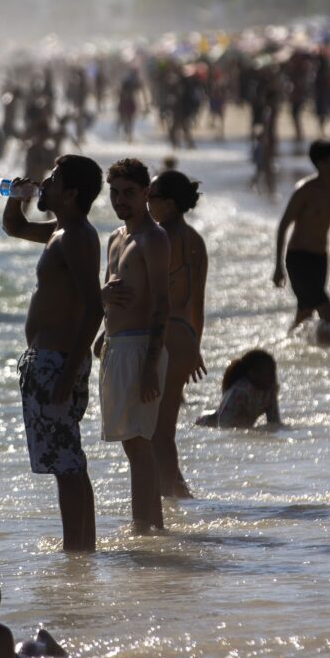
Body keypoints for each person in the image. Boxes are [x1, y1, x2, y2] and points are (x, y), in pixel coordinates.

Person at [2, 155, 105, 553]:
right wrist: (16, 195)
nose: (46, 182)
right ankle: (82, 550)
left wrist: (67, 374)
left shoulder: (75, 235)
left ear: (72, 192)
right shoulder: (61, 231)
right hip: (50, 361)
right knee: (68, 464)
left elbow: (93, 306)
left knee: (68, 465)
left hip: (57, 362)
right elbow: (14, 226)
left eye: (55, 179)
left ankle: (76, 552)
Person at [93, 158, 170, 533]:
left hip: (141, 348)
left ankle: (146, 529)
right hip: (116, 345)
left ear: (145, 194)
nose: (121, 200)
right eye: (115, 193)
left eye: (129, 193)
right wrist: (100, 335)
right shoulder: (114, 238)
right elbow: (112, 295)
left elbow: (161, 304)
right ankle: (149, 526)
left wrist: (149, 365)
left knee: (140, 445)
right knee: (130, 444)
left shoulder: (153, 239)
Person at [146, 170, 207, 498]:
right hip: (184, 336)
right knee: (163, 430)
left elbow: (148, 297)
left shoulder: (157, 238)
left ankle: (171, 503)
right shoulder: (195, 240)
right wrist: (195, 346)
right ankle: (178, 497)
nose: (146, 202)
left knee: (155, 433)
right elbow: (198, 301)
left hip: (162, 335)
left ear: (169, 204)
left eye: (150, 196)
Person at [273, 141, 330, 341]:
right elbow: (284, 225)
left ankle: (289, 345)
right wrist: (278, 266)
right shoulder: (305, 190)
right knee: (327, 310)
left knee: (305, 311)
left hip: (320, 258)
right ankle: (329, 350)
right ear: (322, 163)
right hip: (298, 258)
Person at [196, 350, 280, 429]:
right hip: (206, 425)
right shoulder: (240, 392)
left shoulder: (270, 393)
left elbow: (274, 423)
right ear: (252, 373)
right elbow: (224, 424)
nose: (272, 377)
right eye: (266, 373)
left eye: (272, 372)